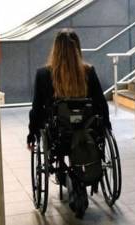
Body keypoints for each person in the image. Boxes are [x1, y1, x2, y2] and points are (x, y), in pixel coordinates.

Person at [26, 28, 111, 218]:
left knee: (55, 129)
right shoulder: (88, 72)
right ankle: (78, 180)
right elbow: (100, 104)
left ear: (55, 49)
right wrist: (106, 128)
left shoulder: (43, 74)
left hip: (58, 138)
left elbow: (36, 109)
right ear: (77, 48)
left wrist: (32, 134)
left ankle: (69, 179)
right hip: (87, 135)